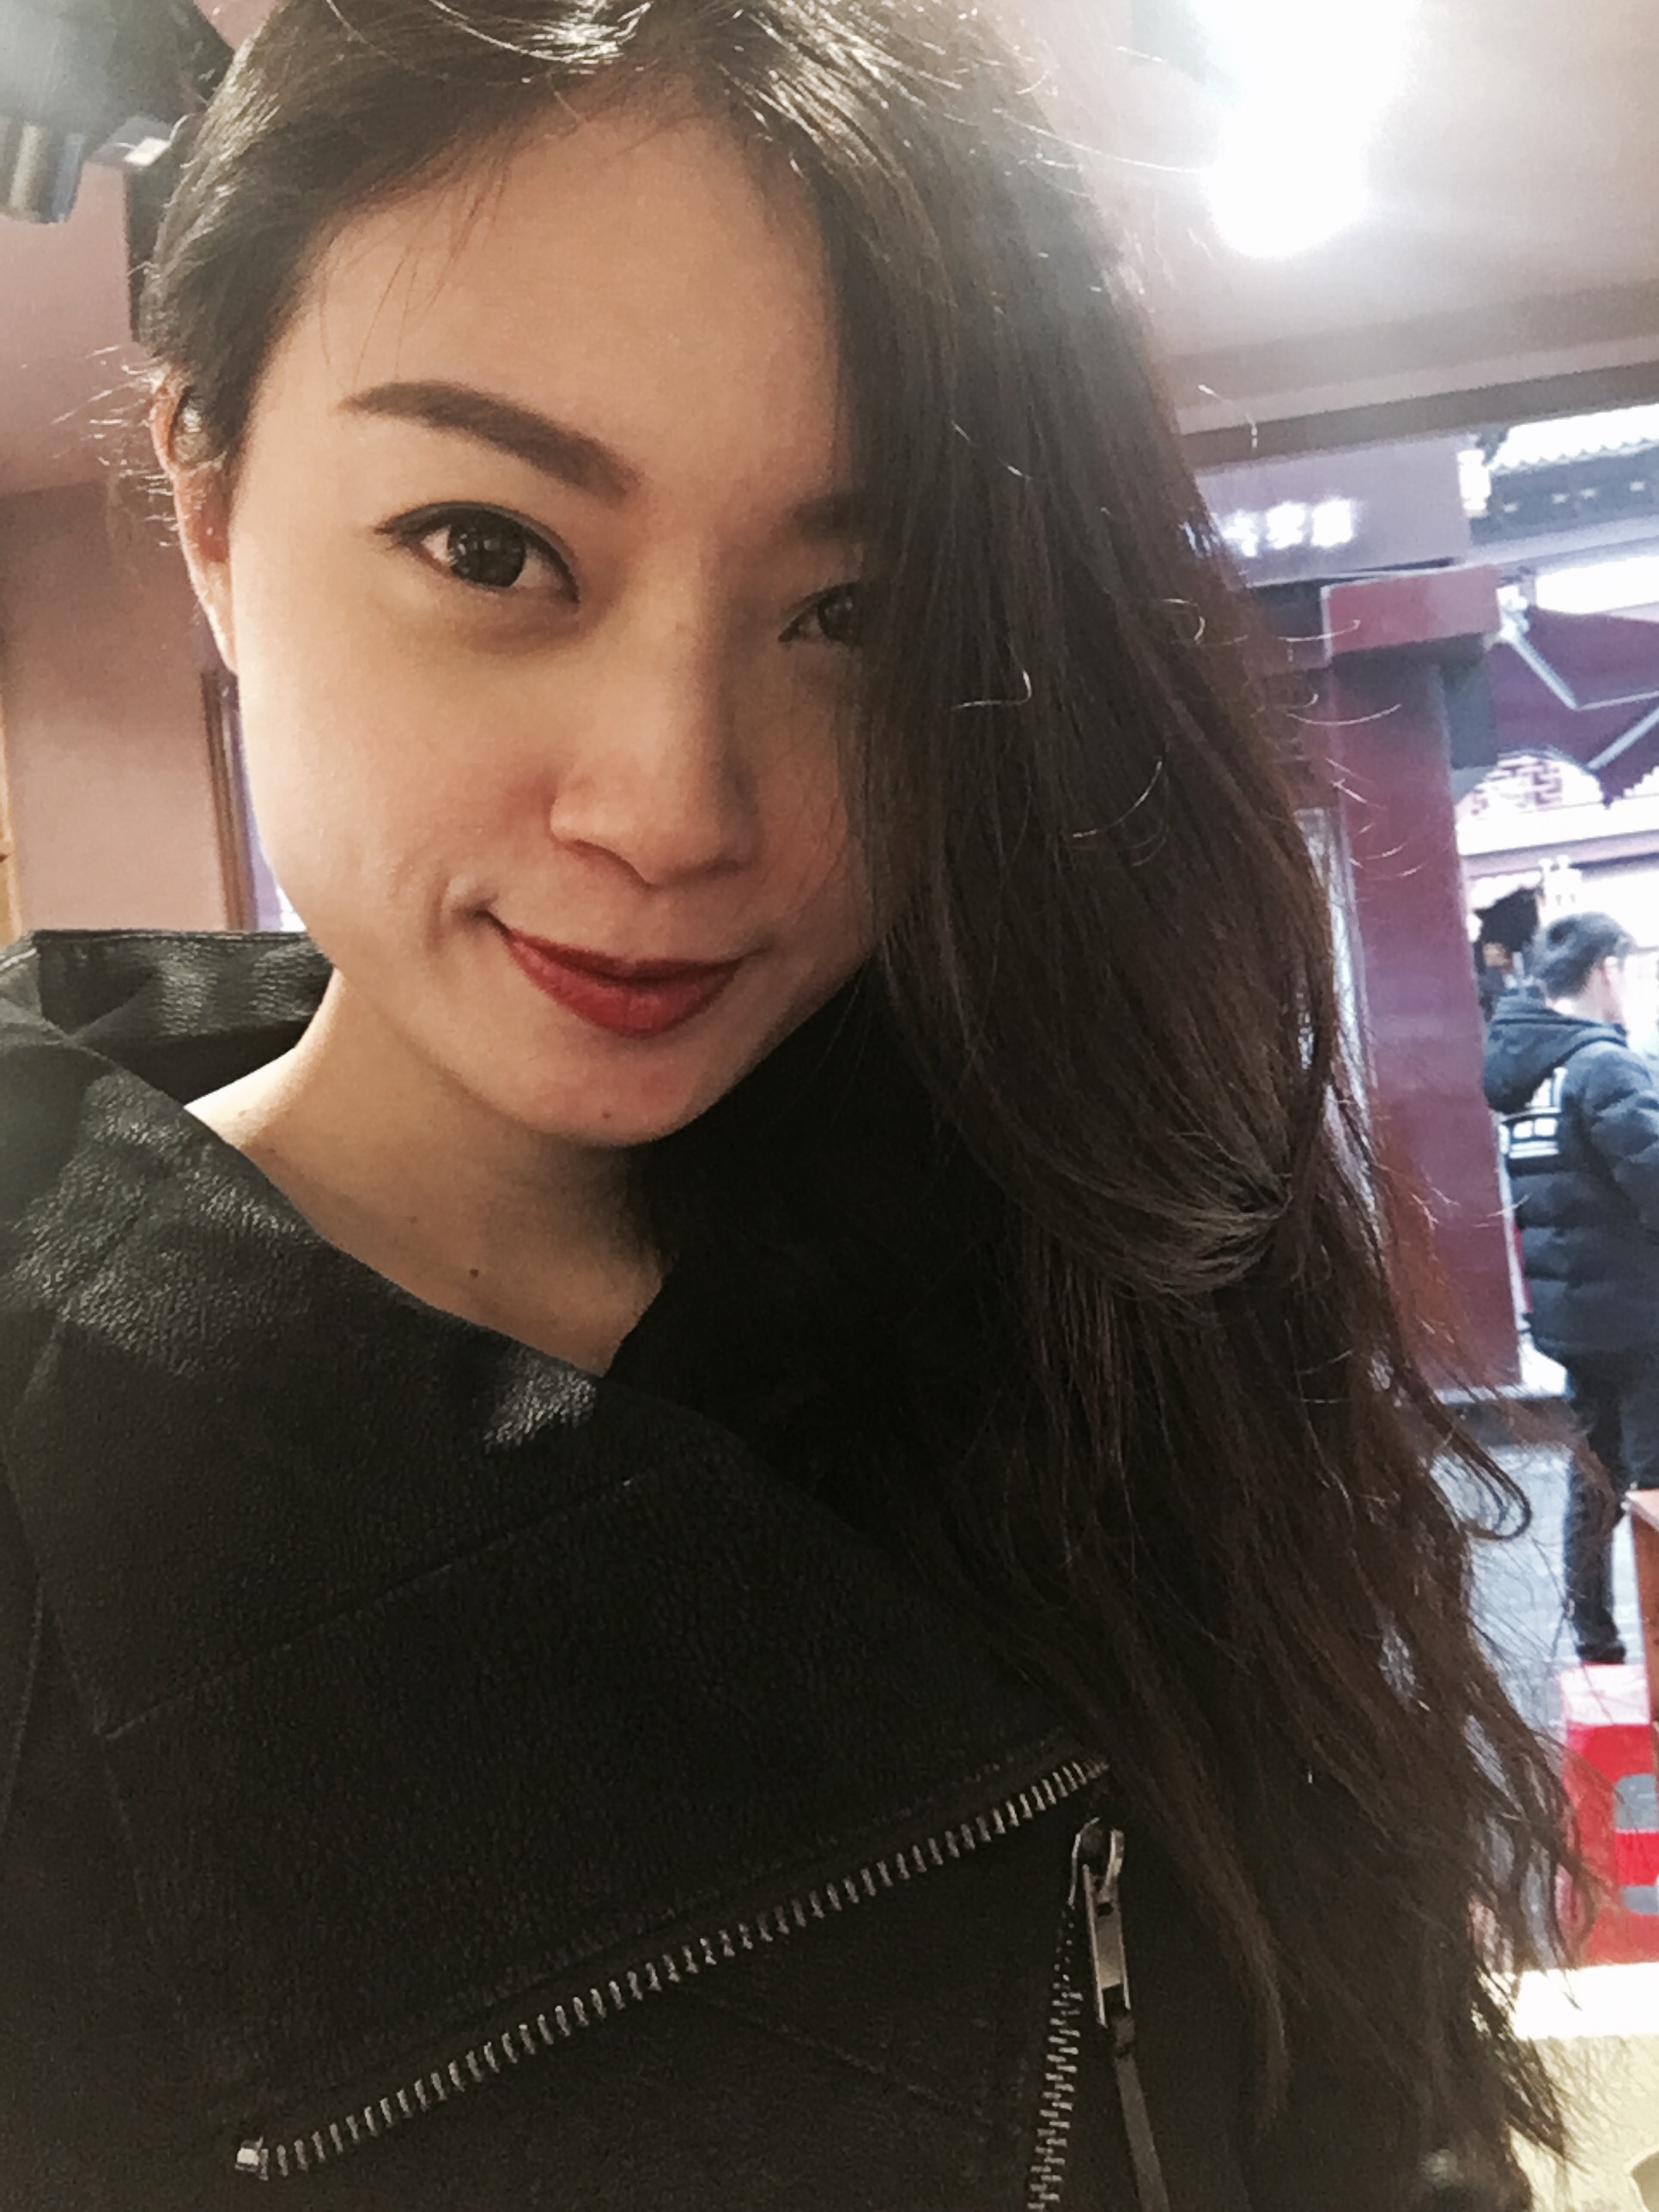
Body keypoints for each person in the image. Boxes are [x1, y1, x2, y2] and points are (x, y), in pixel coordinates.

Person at [0, 1, 1570, 2204]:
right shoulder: (57, 1456)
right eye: (489, 547)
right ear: (210, 500)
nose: (676, 808)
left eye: (855, 610)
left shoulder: (1086, 1269)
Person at [1484, 910, 1659, 1665]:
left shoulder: (1529, 1076)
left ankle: (1594, 1637)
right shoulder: (1604, 1066)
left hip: (1576, 1318)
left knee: (1595, 1472)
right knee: (1654, 1482)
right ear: (1606, 970)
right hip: (1643, 1315)